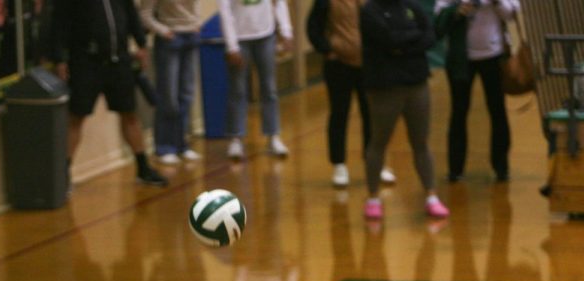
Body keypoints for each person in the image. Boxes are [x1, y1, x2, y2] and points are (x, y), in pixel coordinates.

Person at [49, 0, 169, 188]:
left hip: (118, 60)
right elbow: (59, 23)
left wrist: (141, 43)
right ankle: (63, 175)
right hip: (85, 62)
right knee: (76, 117)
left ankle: (143, 168)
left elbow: (130, 14)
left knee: (129, 114)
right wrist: (59, 58)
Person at [359, 0, 450, 221]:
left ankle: (431, 196)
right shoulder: (370, 11)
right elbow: (387, 40)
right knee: (379, 141)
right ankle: (373, 197)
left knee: (421, 142)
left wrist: (403, 44)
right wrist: (412, 37)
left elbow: (429, 36)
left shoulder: (412, 6)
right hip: (385, 86)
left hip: (416, 82)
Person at [306, 0, 397, 187]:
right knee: (339, 113)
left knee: (372, 115)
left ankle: (374, 163)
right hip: (338, 64)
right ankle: (339, 165)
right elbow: (313, 26)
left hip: (369, 64)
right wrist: (327, 49)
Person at [434, 0, 520, 183]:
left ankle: (501, 168)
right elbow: (439, 15)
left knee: (497, 110)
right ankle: (455, 169)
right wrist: (458, 10)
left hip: (494, 56)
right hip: (460, 57)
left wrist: (497, 3)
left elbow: (511, 15)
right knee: (459, 110)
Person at [218, 0, 295, 160]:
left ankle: (273, 135)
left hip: (265, 34)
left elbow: (279, 3)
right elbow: (224, 10)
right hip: (240, 37)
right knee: (238, 89)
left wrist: (286, 31)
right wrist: (231, 46)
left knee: (269, 88)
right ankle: (236, 137)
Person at [140, 0, 203, 165]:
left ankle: (182, 144)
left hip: (191, 36)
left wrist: (196, 23)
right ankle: (164, 147)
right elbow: (145, 14)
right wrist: (164, 31)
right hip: (169, 38)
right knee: (168, 95)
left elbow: (195, 5)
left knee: (187, 94)